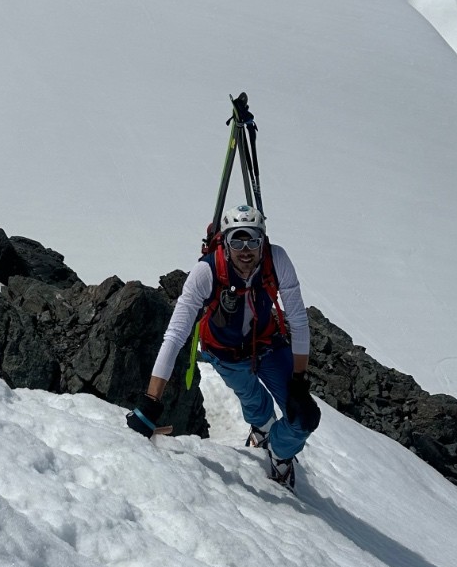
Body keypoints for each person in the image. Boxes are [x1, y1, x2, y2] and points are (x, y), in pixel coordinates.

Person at [126, 205, 320, 489]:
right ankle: (263, 429)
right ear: (225, 243)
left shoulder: (276, 259)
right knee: (253, 400)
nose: (245, 250)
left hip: (268, 344)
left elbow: (299, 321)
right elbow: (176, 335)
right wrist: (151, 400)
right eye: (237, 241)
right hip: (225, 352)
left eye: (253, 241)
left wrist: (299, 381)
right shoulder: (207, 271)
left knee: (305, 417)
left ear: (263, 241)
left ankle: (279, 451)